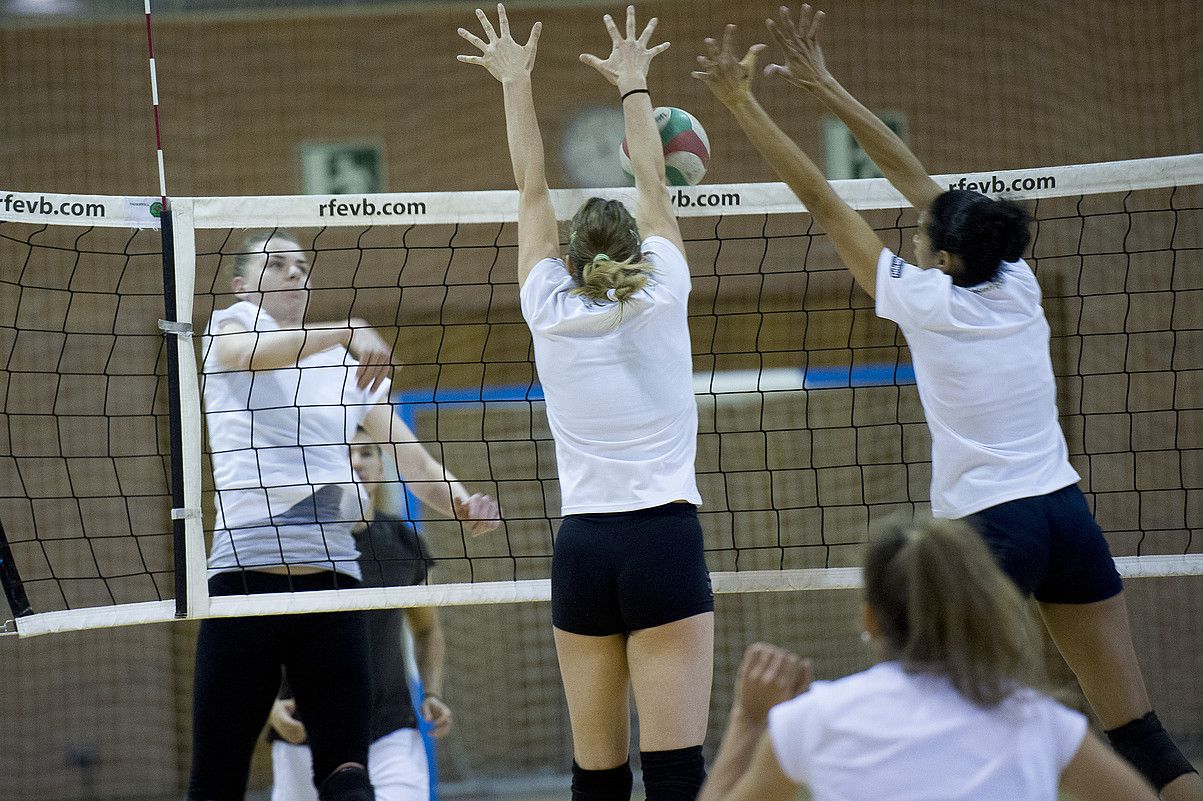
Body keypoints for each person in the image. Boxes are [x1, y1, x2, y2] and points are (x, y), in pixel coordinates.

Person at [692, 6, 1200, 798]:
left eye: (926, 237)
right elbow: (909, 173)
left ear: (946, 254)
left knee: (944, 726)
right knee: (1141, 737)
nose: (915, 235)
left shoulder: (926, 300)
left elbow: (826, 203)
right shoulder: (1014, 279)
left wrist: (739, 104)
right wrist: (826, 85)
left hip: (989, 531)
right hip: (1065, 516)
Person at [458, 6, 713, 800]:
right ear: (639, 248)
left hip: (584, 552)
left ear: (567, 260)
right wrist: (633, 82)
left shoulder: (548, 303)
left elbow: (529, 183)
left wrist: (516, 81)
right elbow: (652, 185)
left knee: (595, 778)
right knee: (675, 775)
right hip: (665, 540)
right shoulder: (664, 287)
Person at [193, 230, 499, 801]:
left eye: (301, 266)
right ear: (242, 285)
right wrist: (350, 327)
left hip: (333, 590)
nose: (294, 274)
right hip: (244, 583)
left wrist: (460, 501)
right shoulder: (229, 326)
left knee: (347, 776)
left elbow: (411, 457)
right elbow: (253, 357)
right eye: (277, 264)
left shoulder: (341, 369)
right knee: (216, 780)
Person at [697, 517, 1158, 801]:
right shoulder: (1039, 720)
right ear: (983, 609)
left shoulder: (813, 719)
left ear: (871, 619)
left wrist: (749, 719)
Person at [268, 428, 452, 801]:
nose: (356, 462)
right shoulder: (290, 543)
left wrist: (432, 691)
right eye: (344, 452)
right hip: (304, 733)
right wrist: (269, 708)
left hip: (389, 731)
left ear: (382, 466)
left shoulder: (403, 542)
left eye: (367, 452)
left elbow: (428, 630)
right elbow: (257, 640)